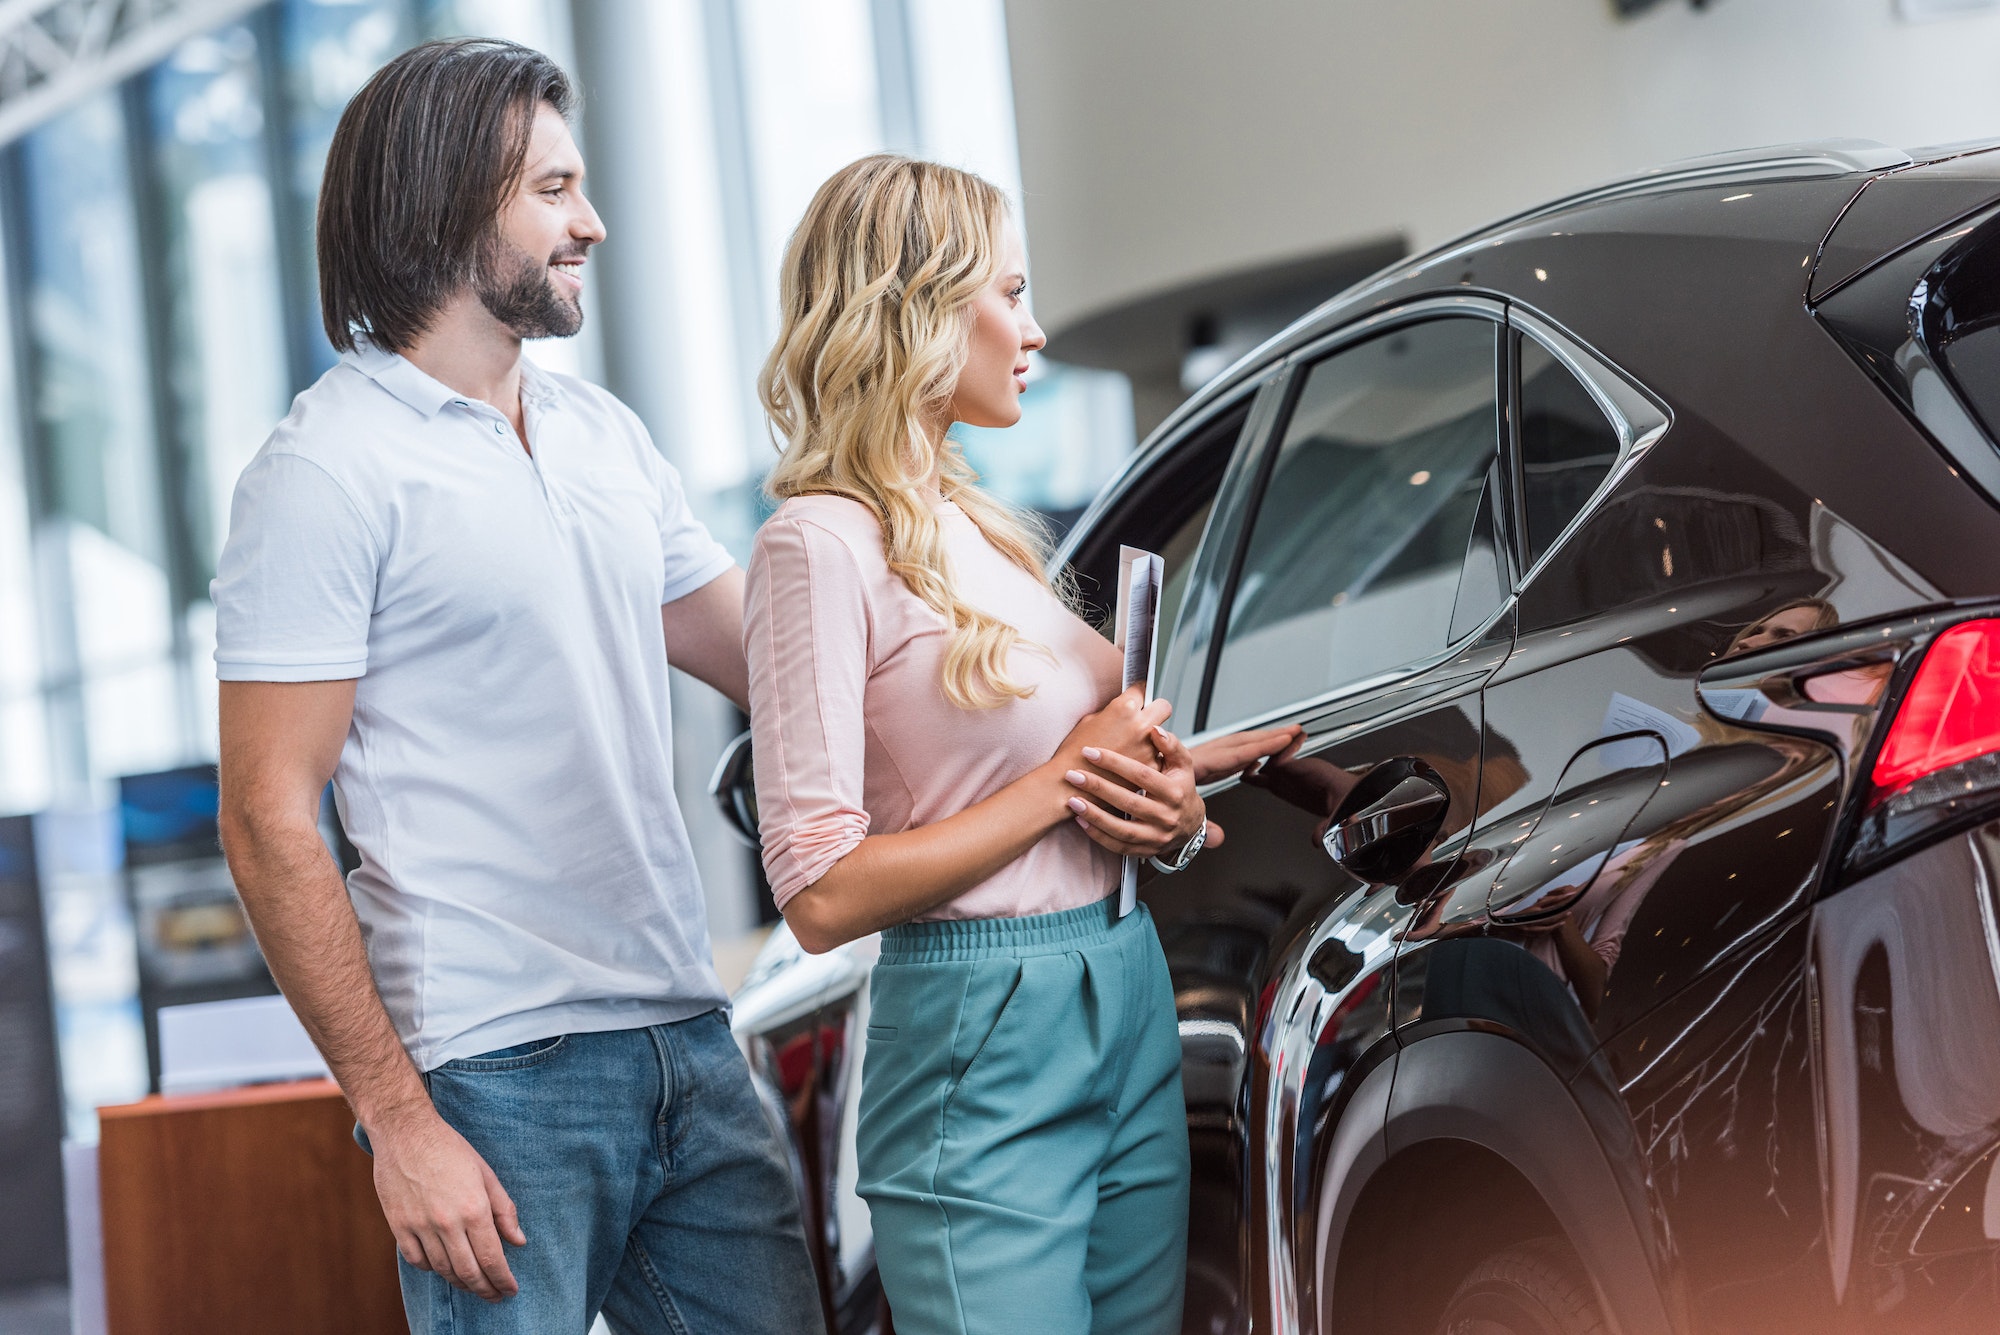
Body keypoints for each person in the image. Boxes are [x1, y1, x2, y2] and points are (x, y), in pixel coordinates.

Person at [212, 39, 820, 1335]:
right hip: (494, 1069)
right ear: (446, 201)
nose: (591, 222)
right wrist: (398, 1121)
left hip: (686, 1039)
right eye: (554, 190)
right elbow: (268, 815)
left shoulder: (604, 436)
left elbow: (781, 662)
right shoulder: (325, 470)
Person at [744, 154, 1280, 1335]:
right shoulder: (814, 547)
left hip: (1125, 973)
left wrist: (1169, 805)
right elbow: (820, 893)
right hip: (981, 1026)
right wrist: (1065, 778)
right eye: (1007, 294)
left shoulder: (979, 532)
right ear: (916, 309)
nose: (1032, 331)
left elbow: (1068, 780)